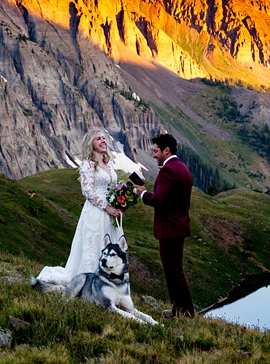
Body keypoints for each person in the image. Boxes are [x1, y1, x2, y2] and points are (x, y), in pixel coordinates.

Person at [35, 128, 124, 286]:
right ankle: (90, 280)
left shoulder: (108, 164)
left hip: (110, 212)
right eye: (98, 139)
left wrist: (119, 204)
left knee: (110, 245)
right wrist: (107, 207)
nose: (103, 141)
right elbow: (88, 191)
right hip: (96, 211)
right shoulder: (88, 166)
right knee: (94, 244)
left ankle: (109, 280)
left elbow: (114, 187)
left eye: (104, 138)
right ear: (91, 144)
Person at [134, 133, 195, 318]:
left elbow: (159, 200)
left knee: (173, 271)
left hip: (169, 228)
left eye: (155, 151)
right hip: (178, 226)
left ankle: (185, 312)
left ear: (166, 150)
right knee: (175, 269)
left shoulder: (168, 171)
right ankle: (179, 309)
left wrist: (143, 194)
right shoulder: (182, 168)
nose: (153, 155)